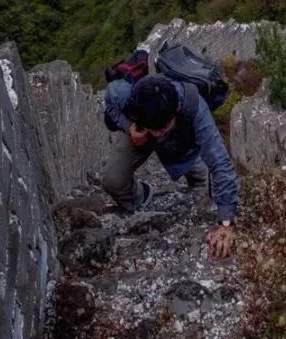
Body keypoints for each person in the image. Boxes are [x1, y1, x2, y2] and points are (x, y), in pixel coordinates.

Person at [102, 74, 238, 259]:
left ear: (176, 109)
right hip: (141, 135)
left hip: (182, 142)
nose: (159, 133)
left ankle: (197, 187)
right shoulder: (127, 96)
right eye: (156, 129)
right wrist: (129, 127)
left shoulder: (194, 107)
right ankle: (142, 195)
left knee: (202, 181)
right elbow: (110, 97)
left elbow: (220, 162)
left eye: (163, 127)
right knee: (113, 181)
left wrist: (226, 224)